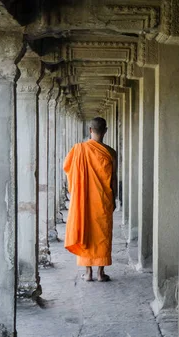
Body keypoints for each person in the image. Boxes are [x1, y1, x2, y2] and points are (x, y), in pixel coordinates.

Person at [63, 117, 117, 282]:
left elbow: (68, 169)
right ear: (106, 131)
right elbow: (113, 178)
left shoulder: (79, 149)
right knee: (102, 233)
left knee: (85, 231)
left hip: (84, 200)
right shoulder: (110, 152)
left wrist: (76, 190)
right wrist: (114, 198)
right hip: (103, 199)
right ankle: (100, 273)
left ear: (90, 130)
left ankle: (88, 273)